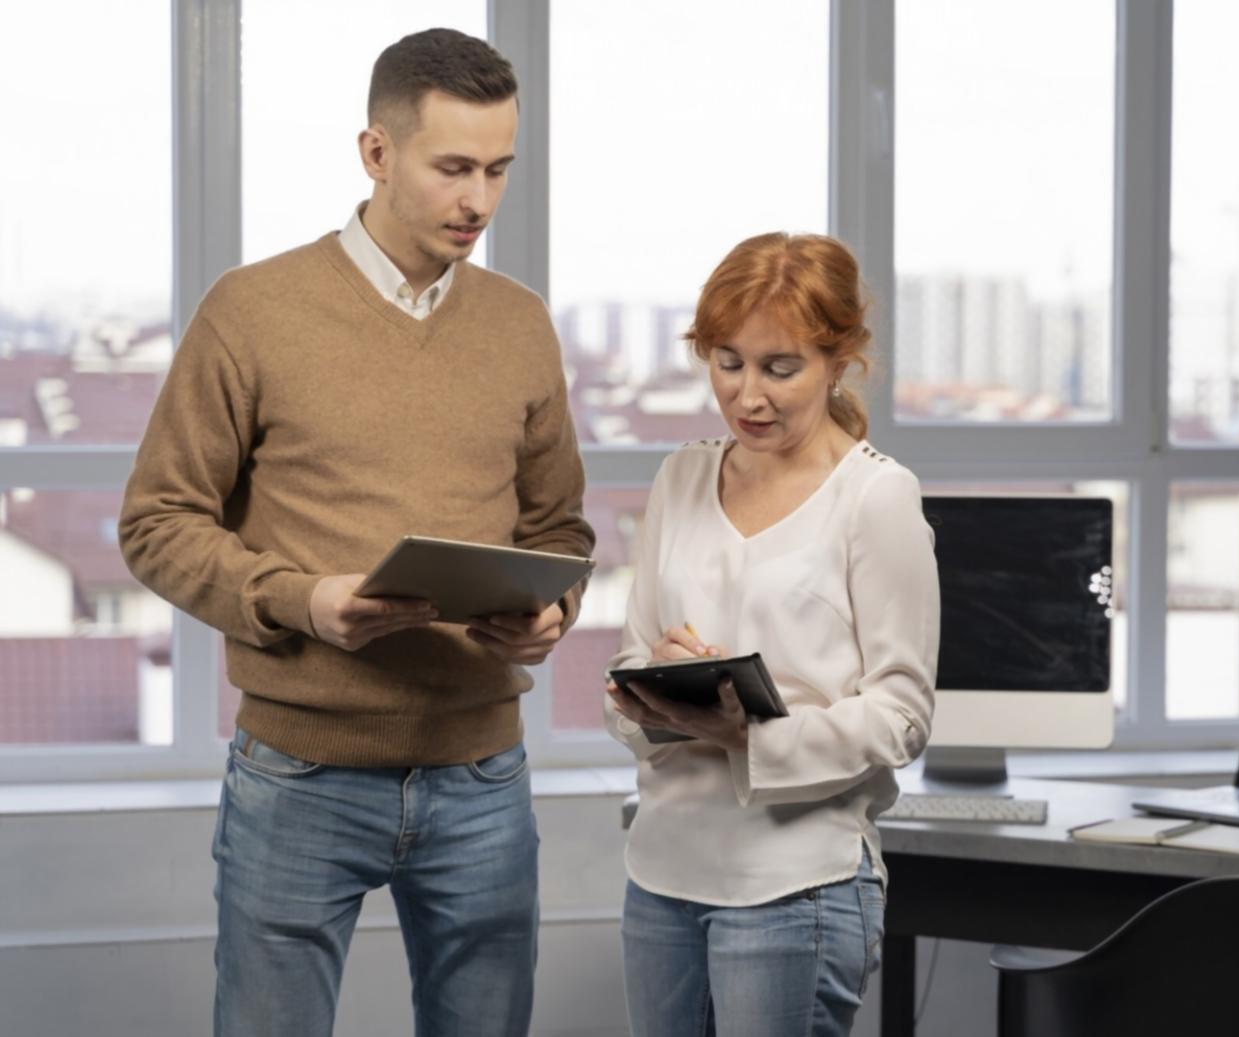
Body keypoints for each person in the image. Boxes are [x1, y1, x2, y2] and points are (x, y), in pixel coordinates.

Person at [118, 28, 593, 1037]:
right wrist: (302, 601)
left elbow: (560, 528)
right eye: (453, 167)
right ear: (376, 153)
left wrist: (550, 612)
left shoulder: (520, 324)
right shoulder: (250, 311)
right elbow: (157, 523)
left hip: (482, 776)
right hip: (298, 773)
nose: (480, 199)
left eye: (499, 169)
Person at [604, 232, 940, 1036]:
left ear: (839, 359)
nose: (747, 395)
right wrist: (656, 692)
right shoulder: (682, 474)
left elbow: (902, 713)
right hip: (662, 871)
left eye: (778, 368)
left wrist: (747, 732)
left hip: (798, 886)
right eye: (727, 362)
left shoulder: (876, 497)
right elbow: (628, 666)